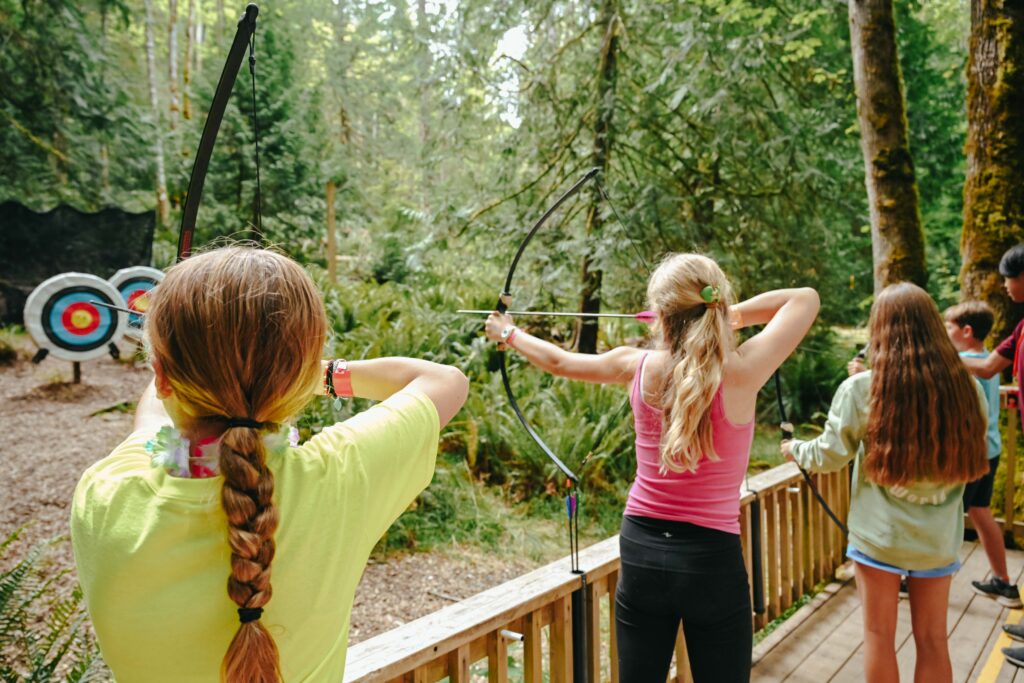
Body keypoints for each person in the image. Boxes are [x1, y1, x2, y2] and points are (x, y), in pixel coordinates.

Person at [70, 246, 469, 683]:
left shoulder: (106, 493)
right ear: (296, 377)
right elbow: (444, 381)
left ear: (162, 374)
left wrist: (188, 360)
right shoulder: (337, 478)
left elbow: (152, 418)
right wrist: (306, 374)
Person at [485, 253, 819, 683]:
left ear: (660, 313)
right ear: (712, 304)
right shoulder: (744, 370)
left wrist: (508, 332)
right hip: (711, 559)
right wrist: (719, 313)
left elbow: (560, 362)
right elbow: (804, 299)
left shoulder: (635, 365)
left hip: (641, 548)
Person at [782, 282, 988, 683]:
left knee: (878, 636)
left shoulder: (862, 389)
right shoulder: (969, 389)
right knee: (934, 640)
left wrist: (795, 450)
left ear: (880, 330)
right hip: (937, 540)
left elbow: (830, 454)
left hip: (879, 537)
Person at [943, 301, 1021, 607]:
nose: (944, 331)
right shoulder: (987, 361)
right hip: (990, 450)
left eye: (948, 326)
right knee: (980, 512)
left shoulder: (964, 365)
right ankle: (1003, 582)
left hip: (968, 455)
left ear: (966, 331)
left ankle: (924, 580)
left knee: (947, 518)